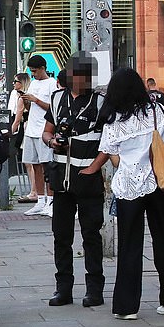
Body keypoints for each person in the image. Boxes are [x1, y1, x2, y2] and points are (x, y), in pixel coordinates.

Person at [95, 68, 164, 320]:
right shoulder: (158, 112)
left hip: (128, 186)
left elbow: (110, 154)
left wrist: (127, 163)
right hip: (159, 183)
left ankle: (127, 306)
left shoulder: (114, 119)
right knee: (163, 240)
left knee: (130, 245)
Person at [41, 52, 106, 307]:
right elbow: (47, 132)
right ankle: (63, 289)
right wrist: (52, 141)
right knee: (61, 236)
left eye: (86, 76)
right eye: (78, 75)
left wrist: (94, 167)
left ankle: (95, 290)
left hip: (88, 179)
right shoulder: (57, 99)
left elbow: (109, 140)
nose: (82, 80)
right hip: (62, 180)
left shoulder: (100, 102)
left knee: (91, 234)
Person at [21, 55, 58, 217]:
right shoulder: (33, 83)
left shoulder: (52, 84)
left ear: (43, 68)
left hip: (44, 129)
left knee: (47, 166)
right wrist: (27, 100)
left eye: (35, 71)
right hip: (31, 129)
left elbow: (54, 108)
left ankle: (51, 199)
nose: (33, 74)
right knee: (34, 164)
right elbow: (31, 107)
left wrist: (35, 100)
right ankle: (40, 199)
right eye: (31, 71)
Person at [9, 72, 36, 203]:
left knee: (29, 163)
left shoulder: (23, 98)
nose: (13, 84)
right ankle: (36, 190)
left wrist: (9, 133)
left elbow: (17, 120)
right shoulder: (27, 97)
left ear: (22, 83)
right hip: (31, 128)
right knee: (32, 163)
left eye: (16, 81)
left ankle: (34, 191)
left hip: (26, 130)